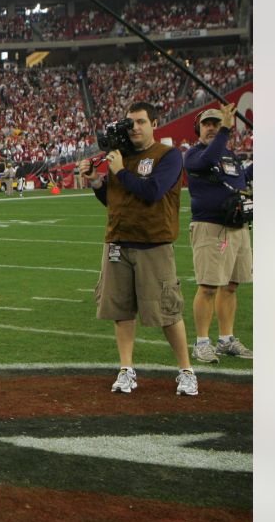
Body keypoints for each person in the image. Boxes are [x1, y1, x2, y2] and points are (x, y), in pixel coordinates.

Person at [77, 101, 199, 396]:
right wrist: (96, 181)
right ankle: (126, 368)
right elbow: (116, 200)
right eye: (130, 123)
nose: (135, 128)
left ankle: (186, 370)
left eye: (141, 121)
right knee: (121, 310)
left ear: (154, 123)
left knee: (167, 311)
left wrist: (120, 172)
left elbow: (153, 191)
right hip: (118, 242)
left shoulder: (168, 156)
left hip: (153, 243)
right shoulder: (121, 157)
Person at [184, 104, 253, 362]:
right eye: (207, 124)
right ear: (198, 129)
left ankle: (226, 339)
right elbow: (207, 160)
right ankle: (202, 342)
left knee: (232, 285)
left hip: (237, 227)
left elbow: (242, 179)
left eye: (216, 123)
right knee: (209, 286)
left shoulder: (229, 156)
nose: (212, 127)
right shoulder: (193, 154)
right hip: (212, 228)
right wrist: (225, 128)